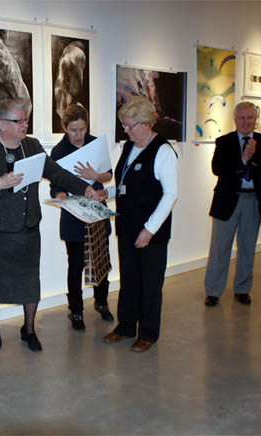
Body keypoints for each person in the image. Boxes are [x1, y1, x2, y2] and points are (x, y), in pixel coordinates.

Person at [0, 98, 103, 351]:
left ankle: (28, 329)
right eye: (19, 121)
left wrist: (85, 188)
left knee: (30, 279)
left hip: (28, 224)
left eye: (26, 120)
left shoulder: (32, 145)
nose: (25, 125)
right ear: (2, 124)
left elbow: (56, 172)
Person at [101, 96, 178, 352]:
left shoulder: (163, 152)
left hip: (151, 233)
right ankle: (125, 326)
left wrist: (150, 229)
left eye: (130, 125)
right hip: (127, 226)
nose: (126, 130)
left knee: (150, 285)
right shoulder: (129, 147)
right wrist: (106, 193)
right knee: (129, 279)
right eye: (124, 125)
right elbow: (125, 184)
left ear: (146, 123)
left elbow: (170, 194)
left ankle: (147, 333)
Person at [203, 101, 261, 307]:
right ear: (235, 119)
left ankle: (243, 289)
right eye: (242, 118)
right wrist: (243, 159)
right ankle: (213, 291)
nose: (246, 122)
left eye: (250, 117)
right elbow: (217, 168)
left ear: (255, 119)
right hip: (227, 200)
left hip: (253, 200)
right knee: (220, 248)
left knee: (247, 247)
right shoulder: (224, 141)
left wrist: (254, 156)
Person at [49, 103, 114, 330]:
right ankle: (76, 310)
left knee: (100, 260)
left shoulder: (95, 144)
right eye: (73, 130)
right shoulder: (58, 151)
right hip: (73, 214)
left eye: (82, 129)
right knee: (75, 264)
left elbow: (108, 175)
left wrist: (95, 175)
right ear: (64, 127)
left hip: (96, 209)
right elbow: (55, 186)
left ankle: (102, 302)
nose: (78, 135)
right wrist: (59, 194)